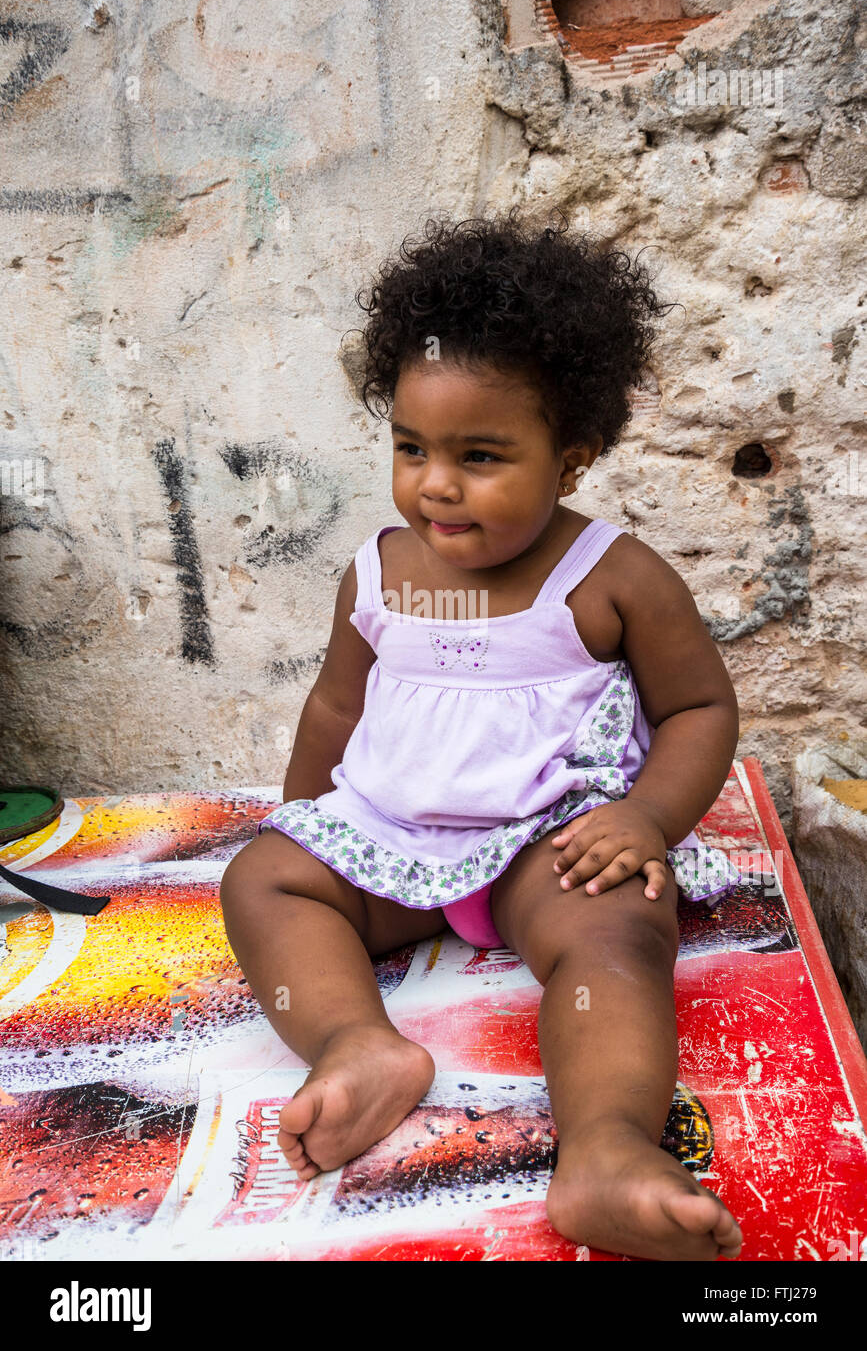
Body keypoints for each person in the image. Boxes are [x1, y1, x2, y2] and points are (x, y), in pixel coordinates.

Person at [220, 209, 746, 1261]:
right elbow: (336, 705)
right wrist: (308, 820)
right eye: (411, 447)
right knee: (261, 880)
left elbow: (700, 710)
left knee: (618, 931)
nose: (435, 483)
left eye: (481, 455)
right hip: (393, 841)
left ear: (574, 457)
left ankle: (604, 1147)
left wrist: (644, 818)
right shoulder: (376, 571)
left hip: (547, 847)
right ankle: (357, 1045)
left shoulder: (610, 577)